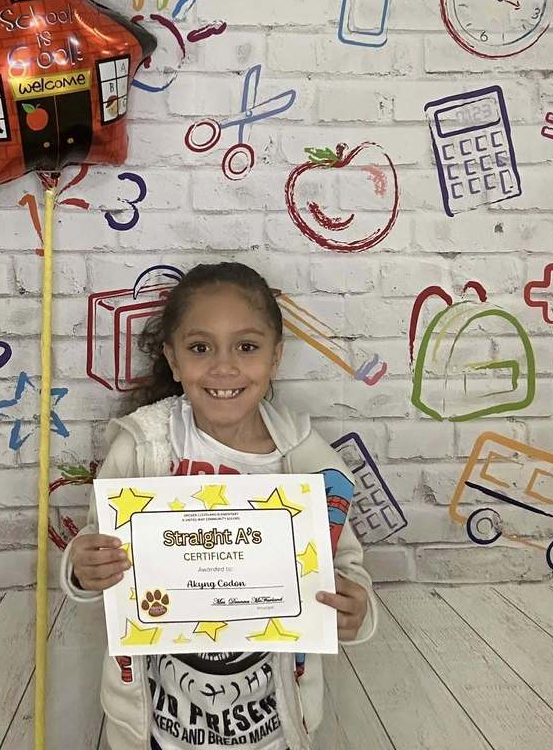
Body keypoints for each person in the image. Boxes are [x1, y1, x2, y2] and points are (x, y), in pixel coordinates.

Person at [60, 262, 377, 750]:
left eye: (246, 347)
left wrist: (355, 610)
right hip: (158, 726)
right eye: (200, 348)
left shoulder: (308, 461)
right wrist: (84, 569)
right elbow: (94, 550)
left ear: (275, 357)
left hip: (272, 725)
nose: (224, 367)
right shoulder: (143, 448)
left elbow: (345, 567)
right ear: (173, 358)